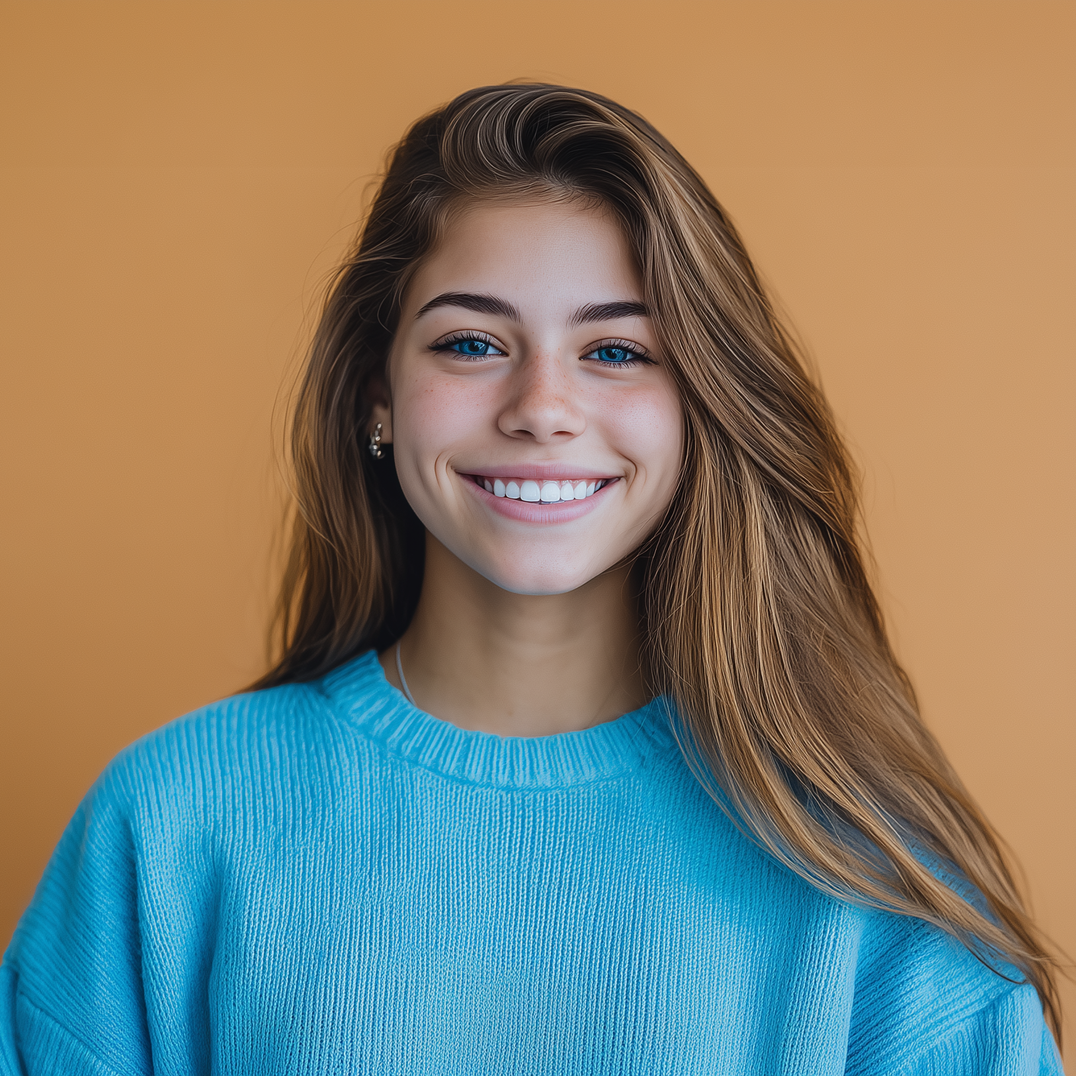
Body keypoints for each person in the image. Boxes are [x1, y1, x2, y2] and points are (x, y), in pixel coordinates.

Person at [0, 83, 1064, 1075]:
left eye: (615, 352)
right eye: (470, 342)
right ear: (377, 396)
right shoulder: (170, 824)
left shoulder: (868, 876)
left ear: (699, 404)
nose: (540, 406)